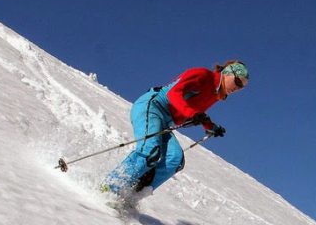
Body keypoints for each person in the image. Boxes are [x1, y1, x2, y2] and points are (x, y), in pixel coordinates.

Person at [103, 60, 249, 199]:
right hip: (153, 106)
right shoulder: (203, 75)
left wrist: (211, 126)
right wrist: (193, 114)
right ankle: (109, 189)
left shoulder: (215, 95)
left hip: (165, 120)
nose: (237, 88)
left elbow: (197, 112)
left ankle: (130, 197)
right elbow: (173, 93)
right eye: (237, 81)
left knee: (175, 159)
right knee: (150, 151)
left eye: (241, 86)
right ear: (227, 72)